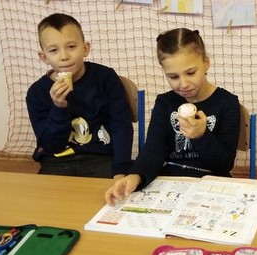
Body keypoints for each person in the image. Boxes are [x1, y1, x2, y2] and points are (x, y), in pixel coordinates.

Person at [105, 28, 240, 204]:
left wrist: (201, 136)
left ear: (206, 63)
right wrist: (135, 176)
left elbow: (224, 165)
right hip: (170, 183)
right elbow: (153, 151)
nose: (183, 84)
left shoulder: (227, 103)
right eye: (173, 77)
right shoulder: (165, 103)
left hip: (212, 185)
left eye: (190, 73)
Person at [26, 13, 133, 179]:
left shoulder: (105, 78)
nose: (64, 56)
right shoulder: (37, 93)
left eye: (71, 47)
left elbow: (121, 126)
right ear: (44, 57)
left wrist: (121, 169)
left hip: (101, 158)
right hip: (57, 161)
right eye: (54, 50)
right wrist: (59, 107)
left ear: (85, 48)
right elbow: (51, 145)